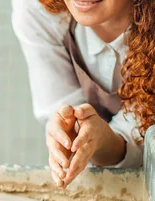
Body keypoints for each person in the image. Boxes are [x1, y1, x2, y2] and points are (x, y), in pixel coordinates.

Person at [12, 0, 155, 187]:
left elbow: (142, 134)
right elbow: (61, 104)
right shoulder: (37, 8)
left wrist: (104, 139)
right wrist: (75, 131)